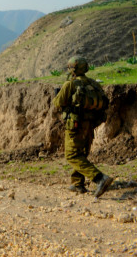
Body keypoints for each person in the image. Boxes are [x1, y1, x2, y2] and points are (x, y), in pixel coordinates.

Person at [53, 56, 113, 198]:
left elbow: (58, 103)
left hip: (75, 124)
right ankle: (77, 183)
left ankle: (100, 178)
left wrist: (58, 95)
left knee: (72, 155)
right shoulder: (93, 84)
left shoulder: (71, 84)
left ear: (72, 69)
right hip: (90, 124)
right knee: (81, 153)